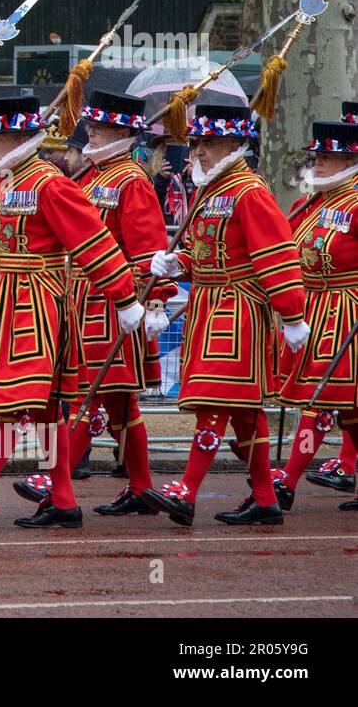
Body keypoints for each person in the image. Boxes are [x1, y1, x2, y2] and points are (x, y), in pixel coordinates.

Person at [0, 95, 144, 529]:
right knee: (47, 409)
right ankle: (63, 499)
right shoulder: (1, 183)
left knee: (14, 399)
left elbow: (92, 243)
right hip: (3, 300)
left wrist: (124, 297)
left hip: (38, 303)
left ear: (24, 137)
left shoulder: (51, 183)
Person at [11, 90, 175, 516]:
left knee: (95, 391)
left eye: (100, 128)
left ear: (122, 131)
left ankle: (55, 477)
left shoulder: (132, 180)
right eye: (92, 127)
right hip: (80, 297)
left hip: (113, 301)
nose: (91, 134)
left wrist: (153, 300)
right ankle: (140, 487)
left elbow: (147, 247)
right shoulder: (89, 175)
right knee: (119, 401)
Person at [144, 103, 306, 526]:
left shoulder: (249, 192)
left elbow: (276, 255)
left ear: (235, 145)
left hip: (238, 310)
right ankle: (266, 497)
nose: (199, 152)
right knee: (243, 412)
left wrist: (292, 315)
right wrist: (178, 263)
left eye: (210, 144)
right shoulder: (210, 191)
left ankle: (188, 488)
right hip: (208, 305)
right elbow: (206, 253)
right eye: (197, 143)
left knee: (215, 397)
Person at [272, 115, 358, 512]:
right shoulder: (309, 201)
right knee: (350, 407)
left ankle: (287, 479)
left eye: (328, 156)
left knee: (319, 399)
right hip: (316, 308)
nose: (318, 162)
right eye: (318, 155)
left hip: (347, 310)